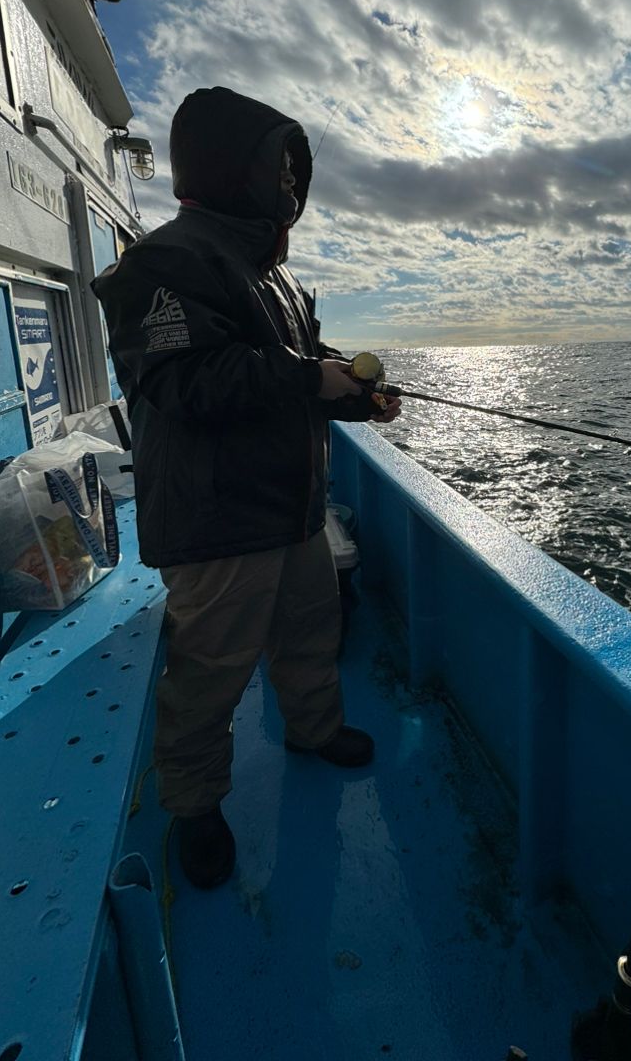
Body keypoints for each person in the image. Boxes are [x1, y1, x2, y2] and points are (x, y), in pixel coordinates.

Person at [92, 86, 401, 889]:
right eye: (279, 170)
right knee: (210, 673)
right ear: (233, 170)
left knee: (310, 633)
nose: (291, 188)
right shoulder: (165, 262)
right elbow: (183, 381)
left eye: (298, 175)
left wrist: (356, 396)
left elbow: (302, 368)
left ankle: (314, 728)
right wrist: (312, 379)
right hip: (217, 524)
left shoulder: (282, 281)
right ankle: (194, 805)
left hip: (292, 510)